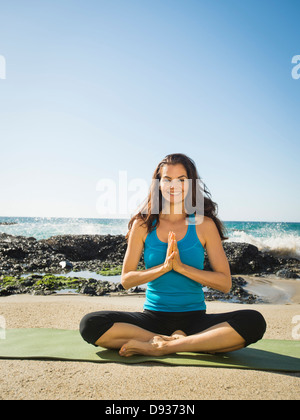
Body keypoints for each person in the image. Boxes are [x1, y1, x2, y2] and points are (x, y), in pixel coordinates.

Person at [80, 153, 266, 357]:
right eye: (167, 179)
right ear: (158, 184)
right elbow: (126, 280)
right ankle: (172, 340)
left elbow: (224, 283)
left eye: (181, 180)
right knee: (90, 324)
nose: (173, 186)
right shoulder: (143, 225)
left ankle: (163, 346)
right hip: (152, 319)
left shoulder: (204, 224)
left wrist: (182, 268)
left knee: (254, 322)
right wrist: (164, 268)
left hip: (196, 320)